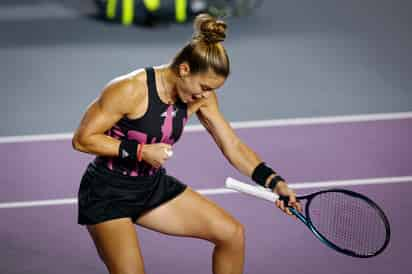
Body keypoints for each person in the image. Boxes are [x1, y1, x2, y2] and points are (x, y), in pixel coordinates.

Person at [72, 13, 301, 274]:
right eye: (203, 86)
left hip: (150, 186)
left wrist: (274, 182)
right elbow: (82, 139)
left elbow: (233, 146)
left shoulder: (201, 98)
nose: (204, 95)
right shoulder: (131, 89)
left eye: (211, 90)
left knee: (231, 234)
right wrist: (140, 151)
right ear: (184, 69)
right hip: (107, 193)